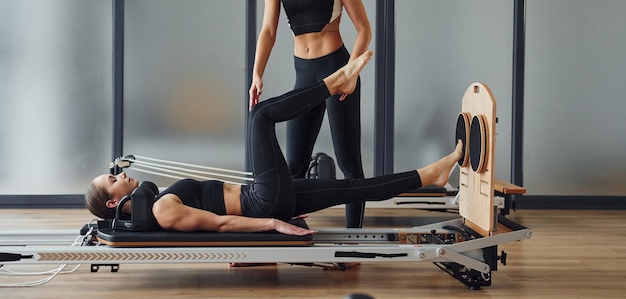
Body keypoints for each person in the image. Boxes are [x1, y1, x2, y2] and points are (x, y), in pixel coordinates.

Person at [87, 51, 463, 236]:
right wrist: (275, 225)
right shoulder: (162, 212)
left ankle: (429, 175)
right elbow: (220, 225)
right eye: (112, 179)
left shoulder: (154, 204)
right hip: (263, 200)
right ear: (111, 200)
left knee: (352, 188)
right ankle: (335, 82)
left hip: (267, 196)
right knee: (260, 117)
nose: (120, 175)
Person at [249, 0, 373, 228]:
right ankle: (286, 232)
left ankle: (354, 240)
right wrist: (257, 74)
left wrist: (351, 73)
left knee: (348, 162)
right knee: (293, 165)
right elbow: (268, 32)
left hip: (336, 69)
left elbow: (363, 29)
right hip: (303, 75)